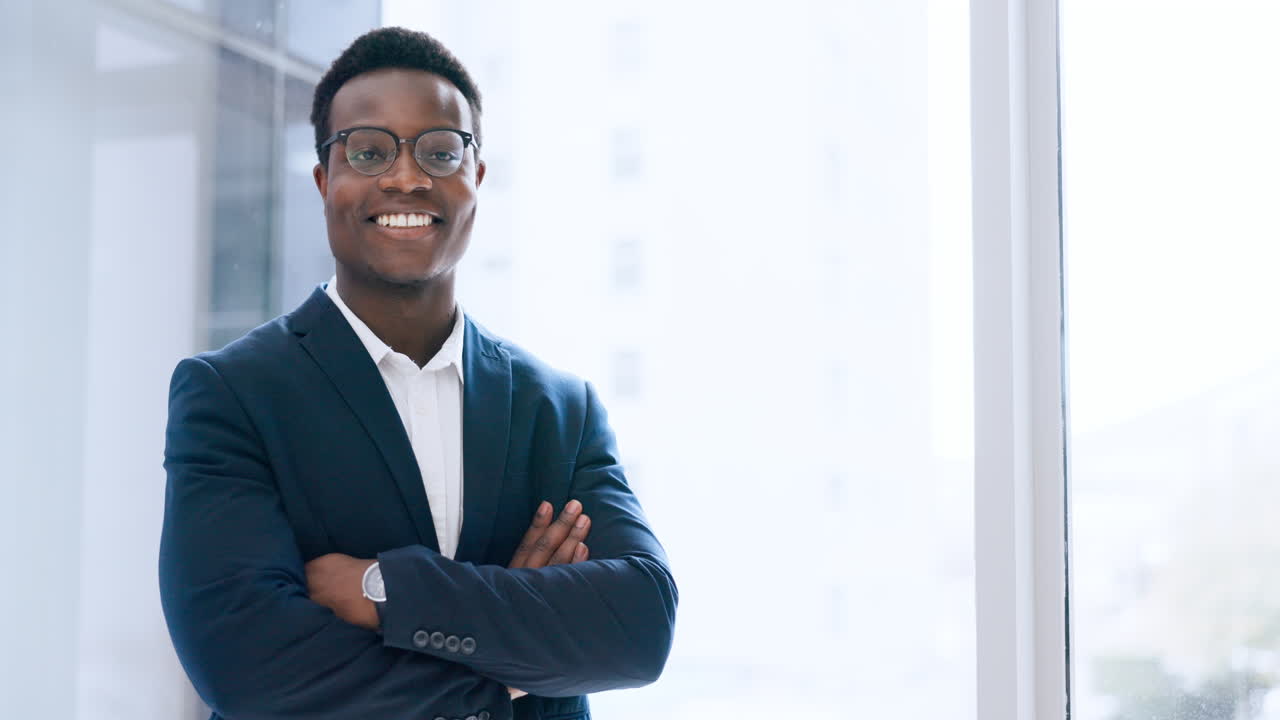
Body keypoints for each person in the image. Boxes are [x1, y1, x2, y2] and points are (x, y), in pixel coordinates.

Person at [158, 26, 677, 720]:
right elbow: (247, 665)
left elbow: (638, 627)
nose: (406, 177)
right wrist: (509, 672)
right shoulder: (232, 395)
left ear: (476, 178)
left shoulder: (559, 409)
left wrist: (384, 590)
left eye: (439, 151)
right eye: (368, 151)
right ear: (324, 181)